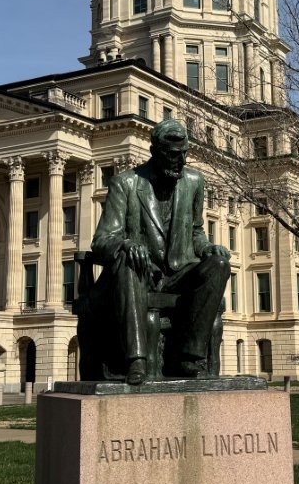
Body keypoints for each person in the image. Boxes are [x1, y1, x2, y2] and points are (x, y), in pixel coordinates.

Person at [90, 119, 230, 384]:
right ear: (155, 152)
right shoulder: (126, 183)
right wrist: (126, 244)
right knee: (129, 261)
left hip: (179, 272)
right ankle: (137, 360)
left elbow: (196, 232)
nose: (181, 161)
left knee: (219, 264)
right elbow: (102, 240)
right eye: (173, 155)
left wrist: (209, 249)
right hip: (141, 274)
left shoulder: (193, 181)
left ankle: (190, 356)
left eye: (185, 154)